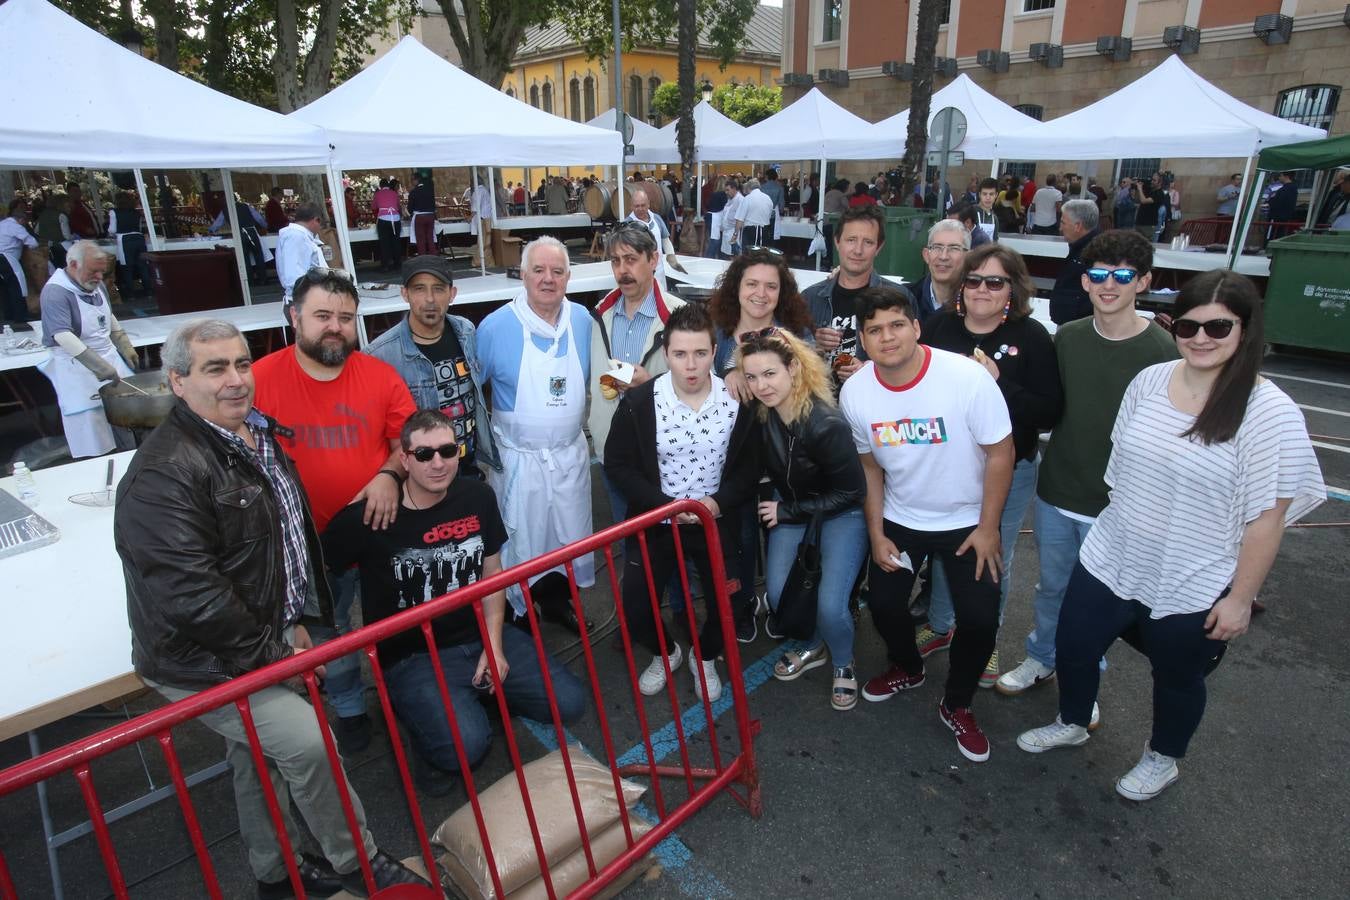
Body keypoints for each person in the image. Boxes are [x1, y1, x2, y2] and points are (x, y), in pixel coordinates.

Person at [115, 318, 431, 898]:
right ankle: (358, 862)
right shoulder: (164, 473)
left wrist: (298, 619)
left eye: (241, 364)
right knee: (307, 742)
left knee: (255, 755)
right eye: (215, 368)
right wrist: (278, 656)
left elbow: (286, 539)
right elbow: (194, 599)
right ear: (178, 382)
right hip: (204, 659)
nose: (236, 379)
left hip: (263, 633)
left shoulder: (253, 433)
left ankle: (274, 873)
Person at [1016, 270, 1325, 800]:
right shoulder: (1151, 380)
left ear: (1245, 330)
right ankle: (1072, 720)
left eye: (1218, 327)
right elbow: (1121, 463)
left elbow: (1267, 520)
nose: (1200, 338)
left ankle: (1163, 757)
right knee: (1074, 644)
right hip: (1114, 553)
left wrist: (1240, 599)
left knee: (1177, 676)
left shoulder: (1270, 413)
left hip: (1194, 575)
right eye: (1188, 326)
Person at [322, 409, 587, 795]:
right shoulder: (372, 515)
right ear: (404, 460)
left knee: (570, 702)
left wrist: (494, 646)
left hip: (479, 633)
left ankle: (476, 698)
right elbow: (318, 566)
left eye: (448, 451)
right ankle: (422, 728)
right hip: (413, 656)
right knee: (464, 747)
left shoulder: (476, 496)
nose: (438, 463)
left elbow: (492, 573)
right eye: (424, 454)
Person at [996, 230, 1179, 698]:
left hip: (1119, 506)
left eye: (1123, 275)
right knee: (1052, 587)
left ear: (1144, 282)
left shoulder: (1163, 351)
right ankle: (1041, 657)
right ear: (1085, 281)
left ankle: (1083, 684)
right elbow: (1046, 403)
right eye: (1098, 275)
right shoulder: (1068, 338)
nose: (1108, 285)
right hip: (1058, 492)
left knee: (1097, 603)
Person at [840, 286, 1013, 762]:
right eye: (874, 329)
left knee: (980, 620)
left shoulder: (966, 378)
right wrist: (877, 533)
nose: (887, 336)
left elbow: (1001, 454)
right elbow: (869, 467)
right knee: (883, 605)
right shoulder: (856, 392)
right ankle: (908, 667)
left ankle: (957, 704)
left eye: (897, 324)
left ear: (917, 327)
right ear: (863, 340)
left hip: (968, 520)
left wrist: (989, 528)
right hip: (902, 516)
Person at [252, 268, 417, 754]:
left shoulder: (379, 376)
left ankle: (408, 695)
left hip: (378, 528)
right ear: (294, 317)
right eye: (322, 315)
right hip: (305, 544)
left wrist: (389, 475)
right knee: (332, 630)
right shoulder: (258, 380)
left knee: (396, 615)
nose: (335, 327)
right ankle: (348, 707)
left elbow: (406, 444)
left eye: (345, 318)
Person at [915, 244, 1063, 688]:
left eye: (995, 282)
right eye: (974, 280)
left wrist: (998, 384)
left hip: (1010, 467)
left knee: (993, 553)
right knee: (947, 548)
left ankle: (984, 638)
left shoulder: (1031, 336)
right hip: (946, 465)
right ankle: (941, 625)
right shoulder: (939, 327)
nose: (983, 289)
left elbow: (1049, 412)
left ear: (1012, 289)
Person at [604, 303, 759, 703]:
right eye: (680, 354)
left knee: (728, 604)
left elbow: (751, 466)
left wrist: (717, 503)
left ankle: (704, 658)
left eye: (700, 353)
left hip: (714, 520)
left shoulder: (737, 399)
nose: (690, 365)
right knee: (636, 606)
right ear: (666, 353)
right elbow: (617, 463)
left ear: (715, 351)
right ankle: (666, 652)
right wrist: (663, 505)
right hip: (657, 521)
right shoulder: (641, 401)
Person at [738, 329, 867, 710]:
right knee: (781, 596)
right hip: (793, 507)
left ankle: (843, 661)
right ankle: (813, 646)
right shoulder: (761, 414)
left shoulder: (826, 423)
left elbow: (852, 492)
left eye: (770, 374)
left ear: (793, 368)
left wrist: (786, 511)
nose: (761, 386)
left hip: (840, 513)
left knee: (830, 605)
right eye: (751, 376)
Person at [476, 236, 597, 633]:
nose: (548, 279)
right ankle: (519, 617)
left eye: (557, 271)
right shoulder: (495, 327)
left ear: (568, 277)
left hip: (568, 457)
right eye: (539, 270)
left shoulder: (582, 320)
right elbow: (474, 392)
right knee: (521, 542)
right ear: (523, 275)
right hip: (519, 462)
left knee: (566, 538)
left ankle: (557, 602)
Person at [365, 255, 500, 481]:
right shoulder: (380, 355)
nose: (430, 299)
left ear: (452, 294)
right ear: (405, 294)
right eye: (419, 289)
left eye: (438, 289)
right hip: (424, 476)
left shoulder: (466, 331)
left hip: (469, 466)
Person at [587, 222, 686, 520]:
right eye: (616, 261)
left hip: (662, 456)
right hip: (612, 454)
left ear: (653, 260)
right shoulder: (600, 314)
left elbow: (700, 387)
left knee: (670, 537)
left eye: (631, 259)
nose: (622, 271)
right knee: (626, 535)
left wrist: (651, 383)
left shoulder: (681, 317)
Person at [36, 242, 138, 457]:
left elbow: (107, 314)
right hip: (77, 368)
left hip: (109, 356)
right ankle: (98, 462)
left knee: (127, 415)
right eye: (94, 271)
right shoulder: (55, 292)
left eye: (102, 271)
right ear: (73, 264)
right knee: (93, 427)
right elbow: (62, 335)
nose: (99, 277)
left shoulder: (95, 284)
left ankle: (130, 455)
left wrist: (124, 343)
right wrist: (99, 367)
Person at [803, 204, 891, 381]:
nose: (858, 250)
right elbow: (786, 356)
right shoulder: (809, 298)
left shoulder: (897, 299)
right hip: (819, 396)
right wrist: (813, 344)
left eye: (868, 242)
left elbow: (910, 360)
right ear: (837, 242)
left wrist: (870, 370)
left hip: (870, 397)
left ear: (878, 247)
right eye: (851, 240)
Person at [1048, 198, 1101, 324]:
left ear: (1078, 226)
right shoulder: (1079, 249)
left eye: (1063, 223)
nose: (1060, 228)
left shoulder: (1096, 254)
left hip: (1079, 327)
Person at [909, 219, 969, 325]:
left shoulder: (976, 305)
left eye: (954, 248)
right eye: (937, 247)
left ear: (968, 257)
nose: (943, 256)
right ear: (926, 255)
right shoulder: (906, 299)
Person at [274, 203, 328, 316]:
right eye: (321, 224)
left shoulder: (299, 236)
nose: (320, 229)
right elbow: (294, 277)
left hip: (307, 300)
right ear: (316, 220)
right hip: (303, 302)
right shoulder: (296, 237)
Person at [207, 195, 270, 285]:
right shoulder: (245, 206)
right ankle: (263, 279)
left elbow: (218, 223)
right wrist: (265, 226)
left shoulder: (225, 210)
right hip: (251, 231)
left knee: (244, 258)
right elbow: (258, 218)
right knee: (258, 255)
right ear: (236, 199)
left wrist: (210, 230)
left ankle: (249, 281)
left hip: (238, 234)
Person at [627, 185, 672, 288]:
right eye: (637, 206)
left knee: (661, 295)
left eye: (643, 205)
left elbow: (665, 240)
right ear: (631, 207)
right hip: (638, 273)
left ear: (648, 204)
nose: (640, 209)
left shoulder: (657, 218)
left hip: (659, 270)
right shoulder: (627, 224)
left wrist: (671, 257)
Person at [0, 199, 38, 322]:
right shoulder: (16, 226)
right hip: (7, 258)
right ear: (21, 220)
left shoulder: (2, 224)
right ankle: (20, 315)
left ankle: (8, 315)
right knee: (17, 286)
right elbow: (33, 242)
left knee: (4, 288)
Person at [34, 193, 72, 272]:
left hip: (47, 250)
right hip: (62, 249)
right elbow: (67, 236)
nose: (70, 207)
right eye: (68, 205)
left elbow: (36, 231)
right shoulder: (62, 216)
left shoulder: (43, 215)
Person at [735, 178, 775, 251]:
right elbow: (769, 215)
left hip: (750, 231)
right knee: (762, 254)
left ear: (748, 188)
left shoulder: (747, 199)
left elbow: (740, 219)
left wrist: (735, 234)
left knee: (748, 255)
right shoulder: (768, 198)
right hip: (765, 231)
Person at [372, 179, 402, 271]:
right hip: (395, 218)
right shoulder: (394, 193)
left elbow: (373, 207)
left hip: (383, 219)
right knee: (396, 241)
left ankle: (385, 265)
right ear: (388, 185)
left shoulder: (378, 194)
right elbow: (398, 206)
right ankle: (397, 264)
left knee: (384, 243)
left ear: (380, 186)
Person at [407, 172, 437, 257]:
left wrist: (410, 213)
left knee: (421, 239)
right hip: (430, 216)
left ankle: (422, 258)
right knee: (430, 238)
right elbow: (434, 204)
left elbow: (410, 209)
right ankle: (433, 257)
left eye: (412, 180)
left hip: (419, 217)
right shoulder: (430, 190)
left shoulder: (413, 192)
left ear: (417, 180)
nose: (411, 182)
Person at [1266, 171, 1299, 238]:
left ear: (1286, 176)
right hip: (1285, 218)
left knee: (1272, 236)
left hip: (1277, 219)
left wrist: (1271, 200)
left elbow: (1276, 203)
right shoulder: (1293, 189)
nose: (1279, 177)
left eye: (1281, 175)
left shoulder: (1284, 190)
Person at [972, 178, 1000, 243]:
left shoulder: (994, 218)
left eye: (991, 194)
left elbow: (995, 241)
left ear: (996, 195)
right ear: (979, 195)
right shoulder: (971, 212)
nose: (988, 198)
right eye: (984, 194)